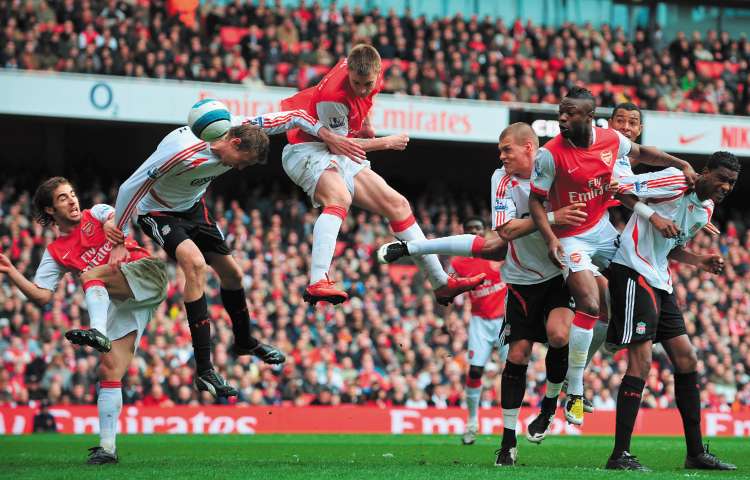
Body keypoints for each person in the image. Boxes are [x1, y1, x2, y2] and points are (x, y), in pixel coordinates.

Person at [111, 108, 361, 399]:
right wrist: (119, 236)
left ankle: (244, 342)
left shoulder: (247, 128)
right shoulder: (180, 151)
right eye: (242, 162)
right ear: (235, 143)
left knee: (234, 274)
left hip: (193, 208)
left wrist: (326, 135)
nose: (240, 169)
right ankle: (204, 369)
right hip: (157, 210)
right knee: (194, 265)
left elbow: (294, 116)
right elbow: (131, 186)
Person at [375, 123, 583, 466]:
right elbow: (503, 232)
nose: (500, 156)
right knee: (516, 356)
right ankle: (508, 439)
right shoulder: (500, 178)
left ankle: (551, 405)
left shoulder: (557, 168)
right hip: (520, 279)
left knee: (561, 335)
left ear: (529, 148)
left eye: (506, 150)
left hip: (560, 272)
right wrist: (551, 216)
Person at [528, 87, 697, 426]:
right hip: (571, 237)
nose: (562, 118)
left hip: (602, 231)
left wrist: (680, 162)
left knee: (634, 278)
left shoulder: (609, 140)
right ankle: (574, 391)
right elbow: (535, 201)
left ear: (588, 117)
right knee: (590, 304)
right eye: (560, 112)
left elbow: (643, 152)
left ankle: (618, 335)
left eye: (569, 113)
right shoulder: (549, 154)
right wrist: (550, 237)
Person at [281, 44, 485, 306]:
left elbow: (369, 98)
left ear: (377, 73)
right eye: (356, 83)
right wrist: (386, 142)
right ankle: (317, 279)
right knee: (338, 198)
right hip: (305, 148)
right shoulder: (333, 97)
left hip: (334, 147)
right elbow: (339, 145)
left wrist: (366, 124)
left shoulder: (372, 75)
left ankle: (441, 283)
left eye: (367, 83)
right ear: (350, 74)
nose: (362, 89)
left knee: (398, 205)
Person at [0, 177, 168, 464]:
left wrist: (110, 225)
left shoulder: (95, 212)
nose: (72, 200)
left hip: (146, 273)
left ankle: (98, 331)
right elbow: (41, 296)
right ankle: (107, 449)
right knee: (109, 369)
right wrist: (11, 271)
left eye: (72, 194)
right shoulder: (56, 252)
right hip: (127, 301)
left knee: (89, 275)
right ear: (50, 210)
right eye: (63, 198)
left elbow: (115, 214)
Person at [603, 151, 739, 471]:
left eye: (731, 182)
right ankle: (619, 454)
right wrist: (653, 216)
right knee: (642, 361)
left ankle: (695, 453)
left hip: (660, 280)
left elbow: (673, 246)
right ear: (704, 172)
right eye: (721, 178)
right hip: (632, 269)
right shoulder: (674, 180)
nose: (726, 186)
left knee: (687, 359)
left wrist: (700, 262)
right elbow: (618, 188)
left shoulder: (705, 210)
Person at [447, 217, 508, 446]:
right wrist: (449, 315)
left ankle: (510, 426)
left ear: (484, 231)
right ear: (464, 233)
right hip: (479, 321)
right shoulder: (459, 263)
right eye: (470, 230)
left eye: (478, 229)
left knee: (513, 371)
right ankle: (472, 422)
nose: (475, 232)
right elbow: (446, 288)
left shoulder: (498, 251)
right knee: (474, 372)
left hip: (505, 319)